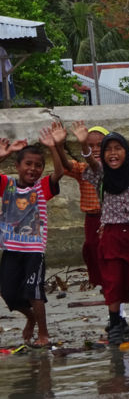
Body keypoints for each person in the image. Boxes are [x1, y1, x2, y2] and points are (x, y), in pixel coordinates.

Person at [74, 119, 129, 346]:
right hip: (112, 235)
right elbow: (90, 162)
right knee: (113, 282)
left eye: (117, 148)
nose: (112, 153)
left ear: (126, 151)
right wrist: (83, 144)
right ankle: (116, 325)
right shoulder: (100, 174)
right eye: (108, 149)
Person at [0, 125, 64, 347]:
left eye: (38, 165)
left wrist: (53, 147)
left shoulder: (41, 188)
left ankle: (43, 334)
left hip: (34, 251)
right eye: (28, 164)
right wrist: (4, 155)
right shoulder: (7, 185)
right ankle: (30, 317)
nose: (33, 169)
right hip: (11, 249)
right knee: (7, 293)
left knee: (34, 291)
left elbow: (59, 172)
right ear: (17, 166)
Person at [55, 125, 108, 290]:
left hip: (112, 219)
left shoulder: (116, 168)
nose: (95, 149)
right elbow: (65, 165)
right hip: (92, 219)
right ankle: (100, 283)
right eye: (90, 146)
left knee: (111, 250)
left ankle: (113, 282)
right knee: (92, 249)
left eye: (100, 145)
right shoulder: (83, 169)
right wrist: (59, 146)